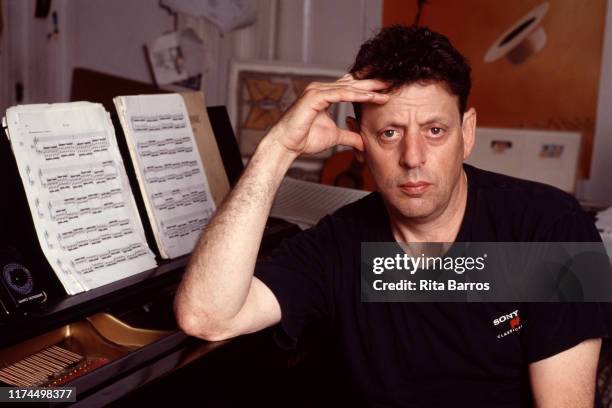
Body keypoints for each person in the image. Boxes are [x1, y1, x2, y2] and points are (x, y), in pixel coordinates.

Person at [174, 25, 609, 407]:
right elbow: (206, 316)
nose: (413, 158)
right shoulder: (338, 245)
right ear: (357, 138)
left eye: (435, 131)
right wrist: (278, 149)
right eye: (389, 133)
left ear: (467, 131)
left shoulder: (553, 228)